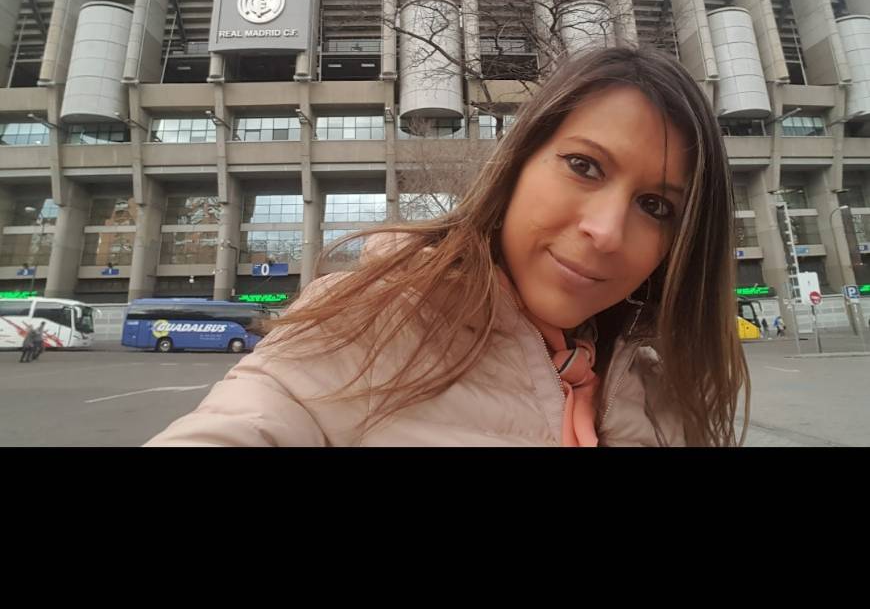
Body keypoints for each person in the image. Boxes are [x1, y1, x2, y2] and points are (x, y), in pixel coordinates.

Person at [146, 45, 749, 449]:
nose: (608, 230)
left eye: (656, 206)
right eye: (584, 166)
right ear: (517, 164)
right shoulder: (367, 324)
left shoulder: (661, 395)